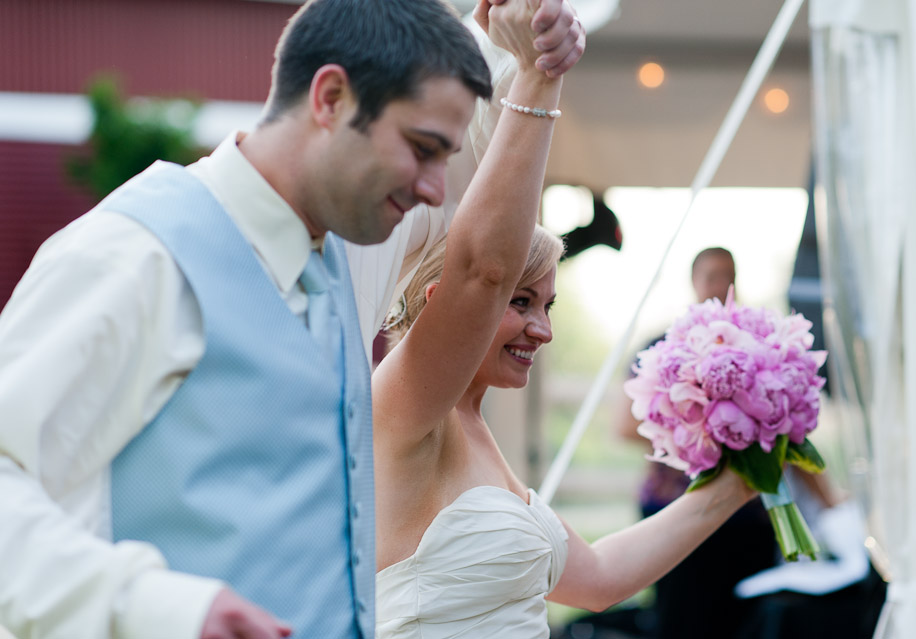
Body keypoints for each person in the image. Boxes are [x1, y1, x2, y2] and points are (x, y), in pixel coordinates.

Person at [0, 1, 585, 638]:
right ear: (330, 98)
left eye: (440, 157)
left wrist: (524, 47)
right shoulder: (136, 255)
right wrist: (165, 608)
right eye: (421, 150)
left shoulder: (349, 242)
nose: (435, 189)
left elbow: (481, 192)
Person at [373, 146, 756, 639]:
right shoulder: (407, 411)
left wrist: (739, 481)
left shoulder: (474, 429)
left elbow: (598, 578)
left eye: (548, 306)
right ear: (445, 305)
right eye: (521, 302)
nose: (544, 330)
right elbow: (482, 273)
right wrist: (539, 85)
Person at [613, 246, 777, 639]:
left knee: (745, 624)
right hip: (672, 506)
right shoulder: (661, 346)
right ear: (693, 282)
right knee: (681, 620)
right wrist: (701, 434)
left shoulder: (759, 349)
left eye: (728, 276)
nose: (720, 285)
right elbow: (623, 425)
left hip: (744, 515)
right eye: (711, 276)